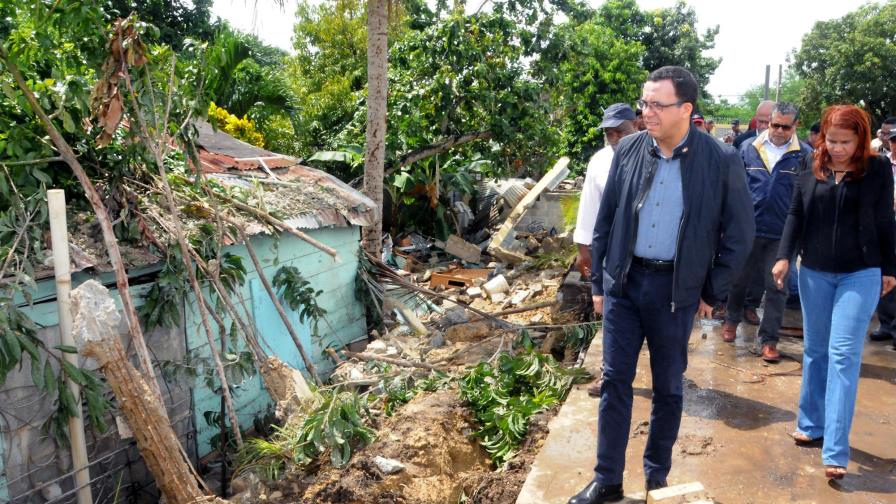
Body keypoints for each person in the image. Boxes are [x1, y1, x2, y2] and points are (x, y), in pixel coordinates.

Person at [568, 66, 754, 504]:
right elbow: (607, 219)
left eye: (656, 104)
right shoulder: (629, 149)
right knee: (615, 381)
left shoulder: (720, 159)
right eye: (644, 103)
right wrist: (600, 283)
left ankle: (657, 478)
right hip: (626, 285)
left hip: (675, 291)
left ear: (685, 109)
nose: (646, 112)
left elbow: (740, 233)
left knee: (668, 387)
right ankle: (607, 480)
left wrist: (711, 291)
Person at [772, 104, 896, 480]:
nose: (837, 148)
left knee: (843, 355)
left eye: (846, 142)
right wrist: (783, 256)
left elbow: (886, 219)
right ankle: (811, 424)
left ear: (861, 140)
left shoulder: (877, 169)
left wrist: (890, 268)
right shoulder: (810, 164)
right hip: (815, 272)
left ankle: (836, 449)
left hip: (860, 273)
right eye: (831, 140)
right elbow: (796, 213)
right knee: (815, 351)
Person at [721, 103, 812, 361]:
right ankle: (731, 320)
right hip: (747, 229)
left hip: (783, 233)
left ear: (795, 126)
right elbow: (733, 189)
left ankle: (768, 340)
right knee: (739, 279)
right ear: (768, 123)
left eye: (786, 126)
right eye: (775, 125)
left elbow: (807, 196)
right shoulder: (748, 149)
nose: (779, 131)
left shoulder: (805, 155)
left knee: (777, 286)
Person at [573, 103, 639, 281]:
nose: (615, 138)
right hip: (610, 247)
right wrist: (582, 249)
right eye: (609, 133)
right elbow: (589, 206)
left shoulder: (652, 155)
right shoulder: (599, 161)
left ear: (635, 124)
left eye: (620, 131)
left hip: (643, 252)